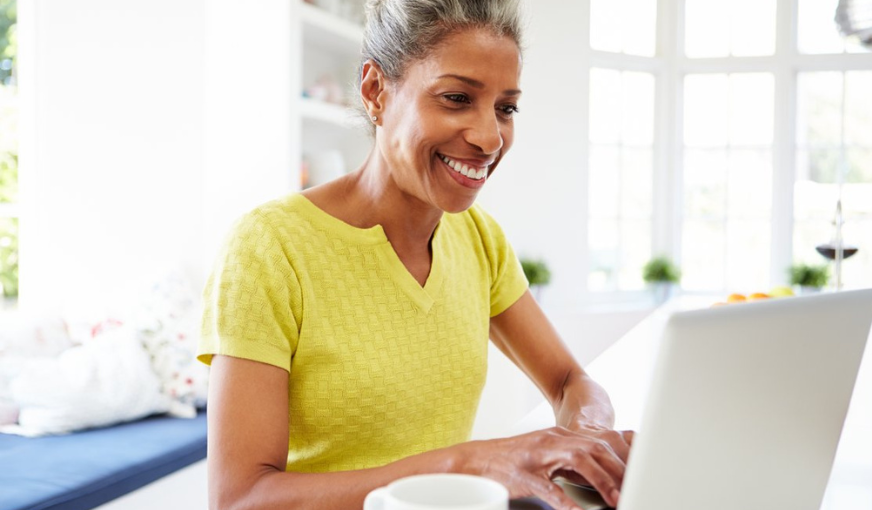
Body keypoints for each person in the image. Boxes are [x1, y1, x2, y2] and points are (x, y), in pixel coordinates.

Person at [198, 1, 633, 509]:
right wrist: (463, 463)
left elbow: (569, 381)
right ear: (375, 92)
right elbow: (239, 500)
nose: (490, 137)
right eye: (456, 98)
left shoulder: (478, 238)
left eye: (505, 107)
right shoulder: (270, 248)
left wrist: (585, 437)